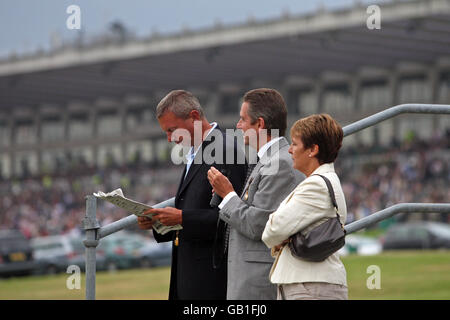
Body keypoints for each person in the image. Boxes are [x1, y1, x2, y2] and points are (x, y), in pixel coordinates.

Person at [137, 90, 246, 300]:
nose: (169, 139)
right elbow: (193, 210)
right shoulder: (195, 152)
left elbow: (234, 220)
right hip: (190, 276)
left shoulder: (226, 150)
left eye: (172, 130)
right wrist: (159, 222)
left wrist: (181, 218)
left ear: (195, 117)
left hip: (211, 280)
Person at [207, 88, 304, 300]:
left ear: (260, 124)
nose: (238, 126)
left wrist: (228, 195)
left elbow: (258, 225)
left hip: (258, 281)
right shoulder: (268, 161)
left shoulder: (279, 164)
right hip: (250, 277)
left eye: (243, 120)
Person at [262, 113, 348, 300]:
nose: (290, 150)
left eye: (294, 144)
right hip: (310, 285)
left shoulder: (315, 185)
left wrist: (284, 236)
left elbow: (272, 230)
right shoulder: (325, 181)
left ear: (313, 150)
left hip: (310, 287)